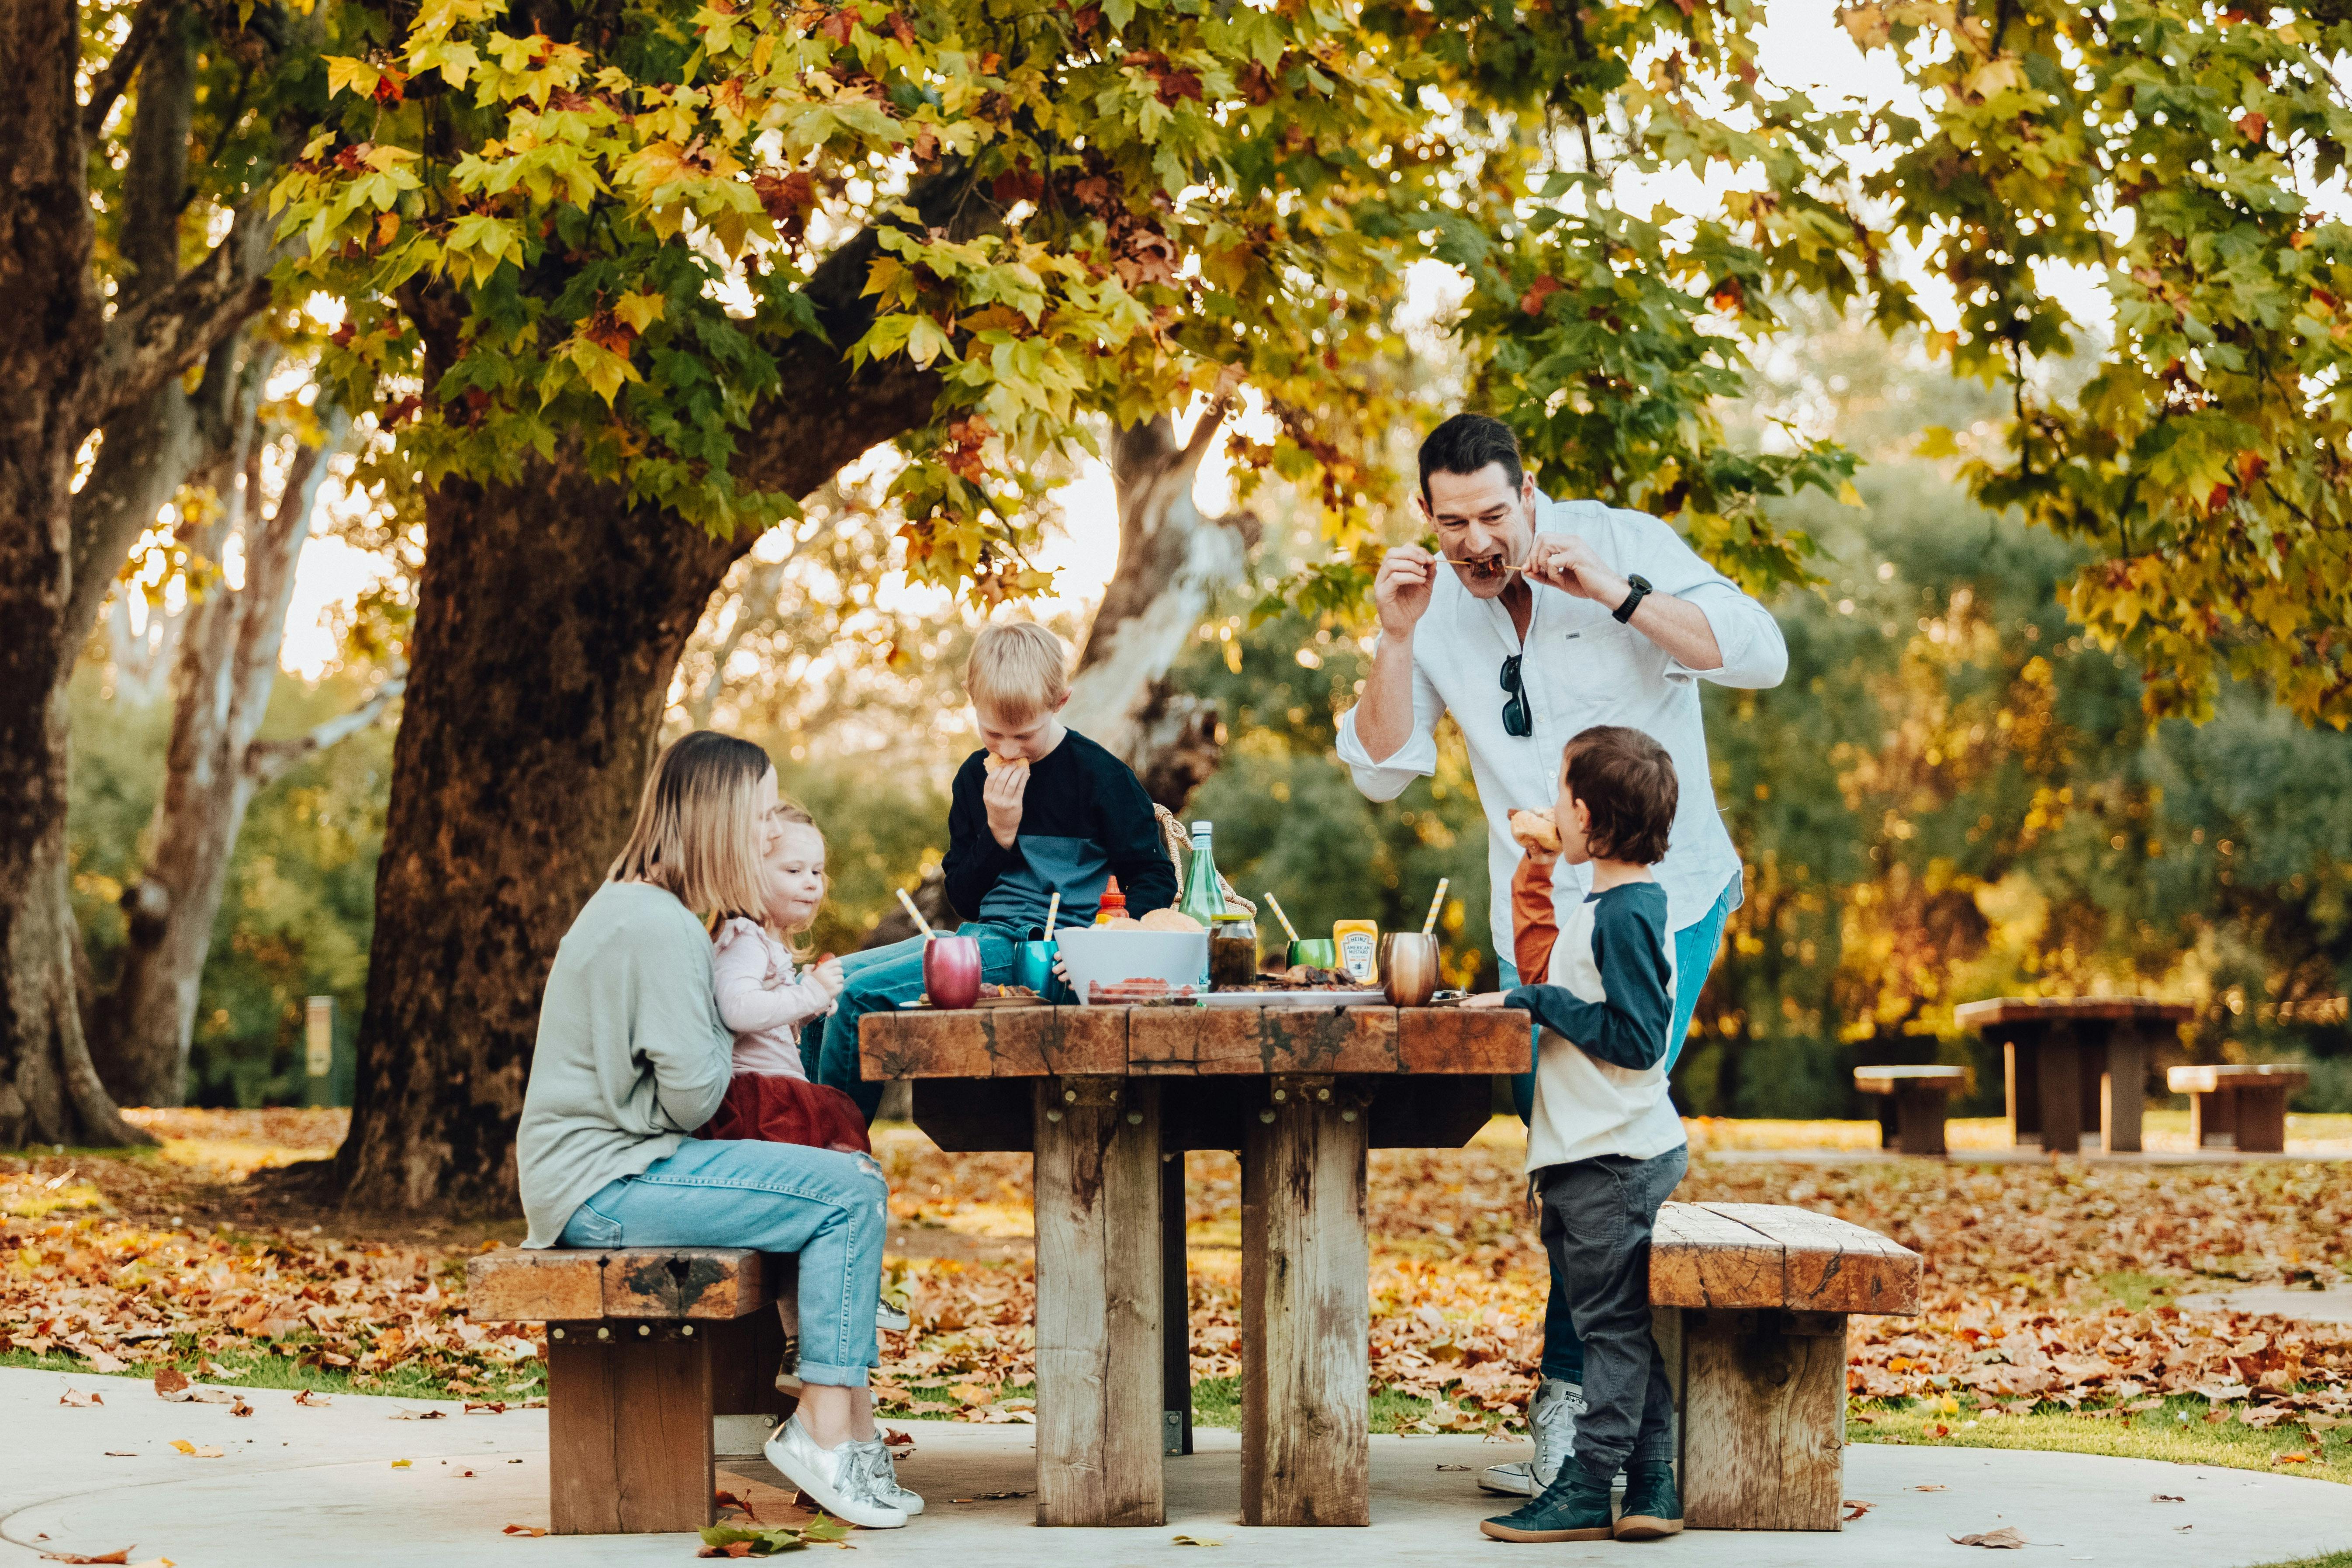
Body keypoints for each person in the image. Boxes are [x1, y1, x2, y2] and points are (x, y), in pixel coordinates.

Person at [1336, 413, 1784, 1497]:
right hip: (1539, 922)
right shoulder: (1433, 607)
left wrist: (1620, 595)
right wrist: (1393, 640)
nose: (1478, 542)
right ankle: (1613, 1425)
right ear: (1425, 515)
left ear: (1527, 493)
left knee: (1600, 1154)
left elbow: (1759, 654)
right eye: (1454, 523)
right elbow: (1381, 771)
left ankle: (1583, 1417)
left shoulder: (1618, 541)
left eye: (1495, 515)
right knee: (1574, 1158)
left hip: (1659, 901)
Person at [516, 730, 919, 1530]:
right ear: (721, 819)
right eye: (762, 814)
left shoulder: (638, 906)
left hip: (613, 1170)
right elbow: (695, 1096)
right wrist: (727, 1028)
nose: (770, 832)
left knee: (847, 1182)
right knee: (846, 1192)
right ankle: (822, 1429)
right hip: (607, 1185)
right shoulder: (662, 926)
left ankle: (846, 1429)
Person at [806, 622, 1178, 1118]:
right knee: (824, 987)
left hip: (1046, 954)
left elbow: (1155, 874)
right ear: (971, 699)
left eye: (1024, 734)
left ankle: (836, 1145)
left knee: (858, 996)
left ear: (1060, 702)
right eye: (993, 732)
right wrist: (999, 834)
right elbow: (963, 898)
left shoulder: (1102, 777)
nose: (1008, 748)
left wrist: (1105, 943)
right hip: (979, 939)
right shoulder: (971, 778)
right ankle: (802, 1136)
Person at [1466, 726, 1687, 1544]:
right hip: (1594, 1154)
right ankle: (1653, 1482)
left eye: (1560, 792)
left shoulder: (1625, 913)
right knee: (1621, 1326)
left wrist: (1534, 1004)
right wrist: (1534, 881)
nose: (1551, 807)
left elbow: (1638, 1037)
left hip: (1612, 1159)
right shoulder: (1608, 905)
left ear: (1586, 815)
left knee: (1608, 1332)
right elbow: (1572, 983)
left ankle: (1588, 1486)